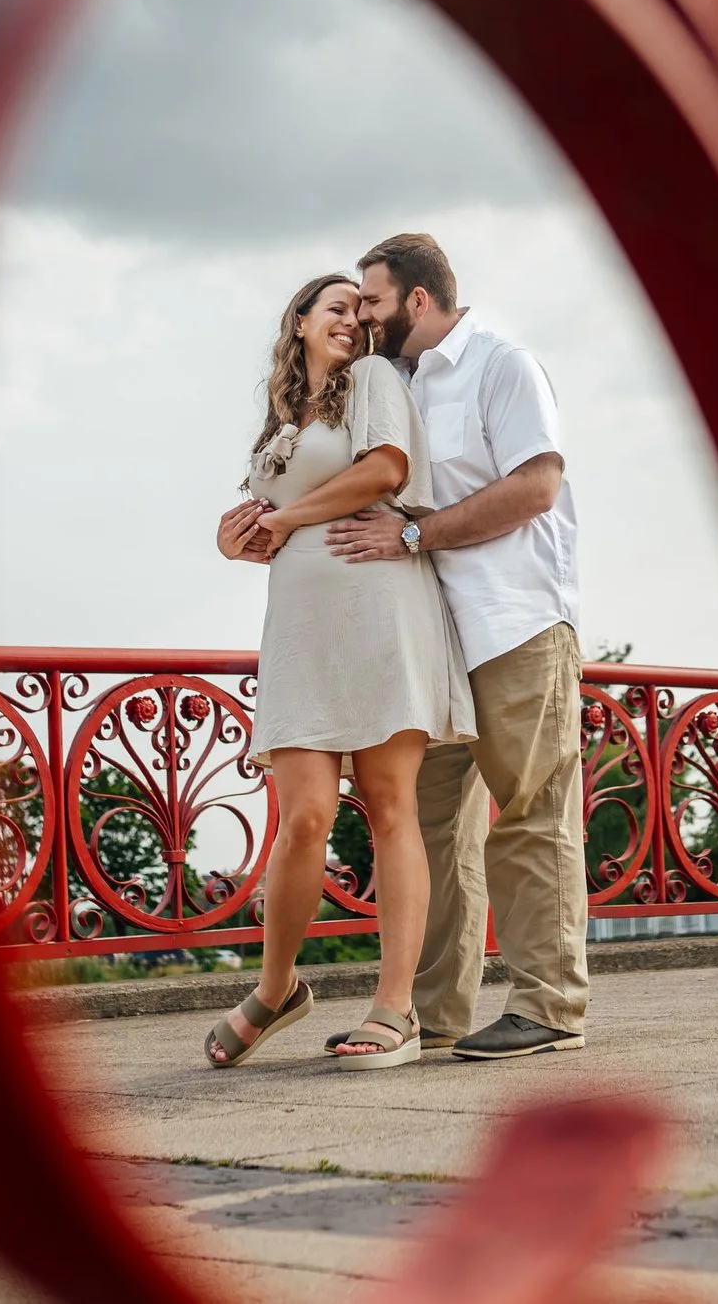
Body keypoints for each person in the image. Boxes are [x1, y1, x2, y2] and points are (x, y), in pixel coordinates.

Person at [328, 234, 587, 1060]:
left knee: (534, 814)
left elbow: (536, 486)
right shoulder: (389, 383)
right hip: (431, 639)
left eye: (371, 299)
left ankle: (549, 1007)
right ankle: (434, 1013)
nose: (362, 315)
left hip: (514, 624)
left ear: (417, 300)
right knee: (431, 827)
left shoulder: (502, 364)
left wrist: (415, 534)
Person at [207, 273, 474, 1071]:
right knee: (306, 817)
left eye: (364, 311)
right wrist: (232, 539)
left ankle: (396, 1009)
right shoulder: (283, 418)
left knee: (391, 804)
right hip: (300, 629)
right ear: (298, 324)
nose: (355, 322)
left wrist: (284, 519)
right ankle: (278, 986)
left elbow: (386, 469)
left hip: (380, 611)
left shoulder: (374, 379)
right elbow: (256, 525)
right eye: (338, 309)